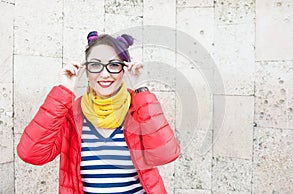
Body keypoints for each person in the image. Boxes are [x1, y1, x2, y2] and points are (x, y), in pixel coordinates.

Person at [17, 31, 180, 194]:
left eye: (114, 65)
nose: (104, 74)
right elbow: (31, 154)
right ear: (86, 71)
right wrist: (65, 89)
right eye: (95, 65)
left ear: (124, 69)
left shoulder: (139, 107)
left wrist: (141, 88)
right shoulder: (72, 114)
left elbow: (165, 154)